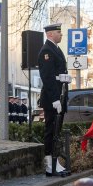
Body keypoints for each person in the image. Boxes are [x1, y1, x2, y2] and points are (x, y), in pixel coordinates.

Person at [38, 23, 71, 176]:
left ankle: (55, 161)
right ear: (50, 34)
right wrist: (54, 99)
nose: (61, 34)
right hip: (53, 97)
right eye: (58, 32)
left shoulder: (56, 49)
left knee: (57, 131)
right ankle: (49, 164)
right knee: (51, 130)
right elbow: (47, 77)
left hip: (60, 94)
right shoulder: (47, 51)